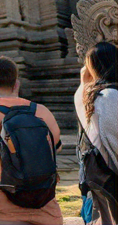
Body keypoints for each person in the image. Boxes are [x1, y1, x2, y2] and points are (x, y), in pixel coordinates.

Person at [0, 56, 63, 225]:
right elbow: (54, 151)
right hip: (46, 207)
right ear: (16, 83)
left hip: (2, 212)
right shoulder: (43, 112)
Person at [75, 42, 118, 225]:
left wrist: (84, 81)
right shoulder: (104, 95)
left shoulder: (105, 96)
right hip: (104, 181)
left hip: (105, 179)